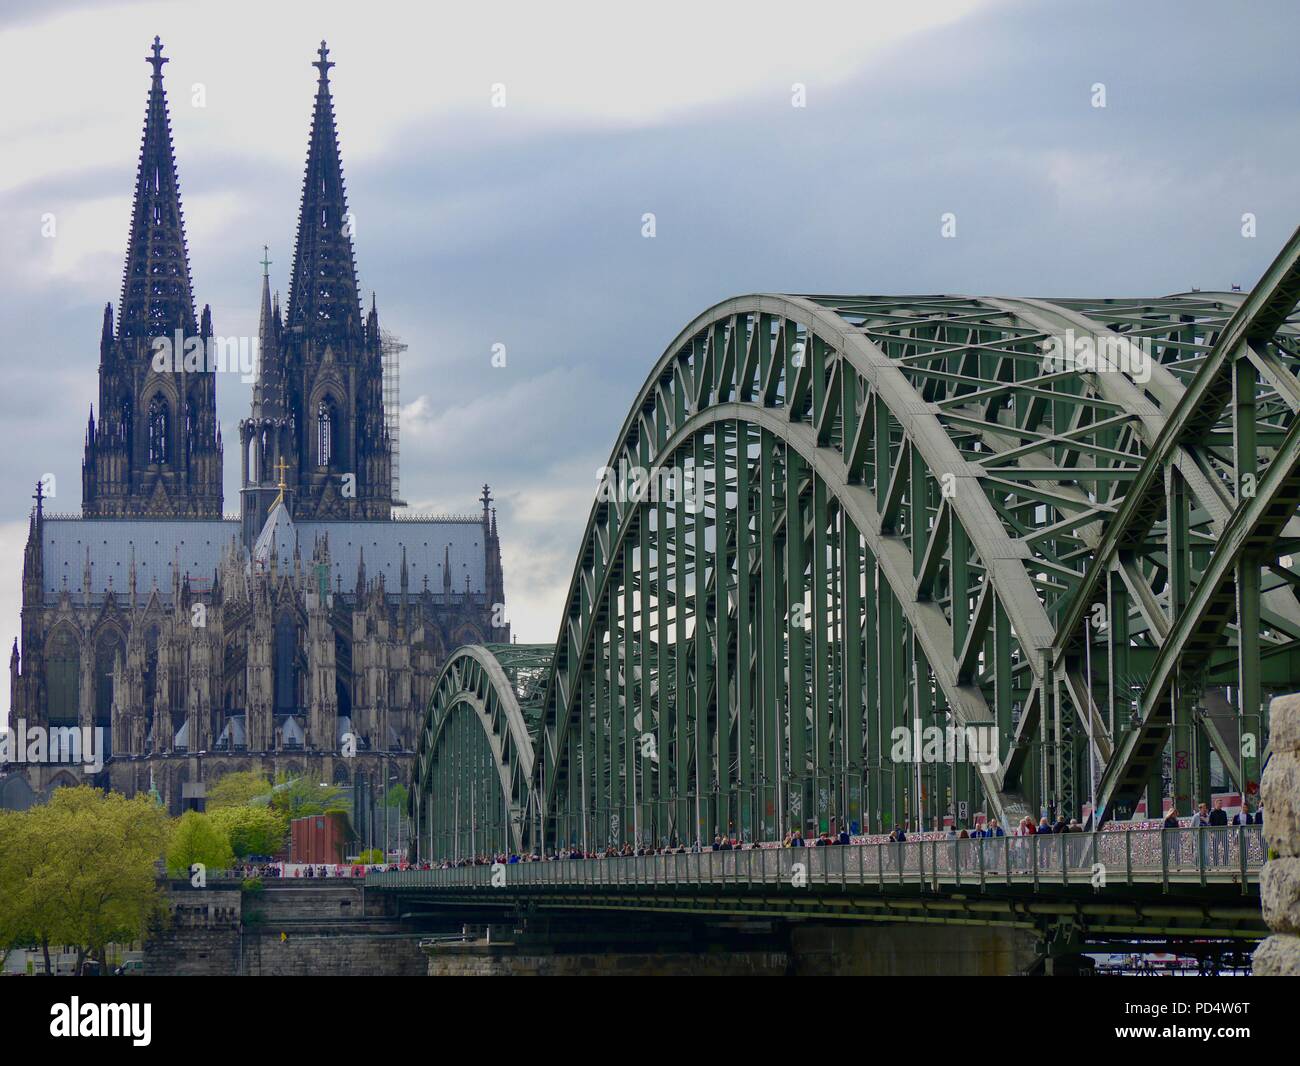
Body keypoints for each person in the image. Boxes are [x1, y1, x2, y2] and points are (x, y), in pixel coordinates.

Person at [1208, 798, 1228, 864]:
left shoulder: (1224, 813)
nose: (1220, 805)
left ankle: (1225, 863)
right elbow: (1210, 823)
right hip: (1215, 833)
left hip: (1223, 832)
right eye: (1219, 803)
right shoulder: (1212, 813)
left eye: (1221, 803)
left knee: (1225, 847)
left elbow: (1226, 823)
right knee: (1215, 849)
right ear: (1215, 804)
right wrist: (1212, 832)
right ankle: (1216, 863)